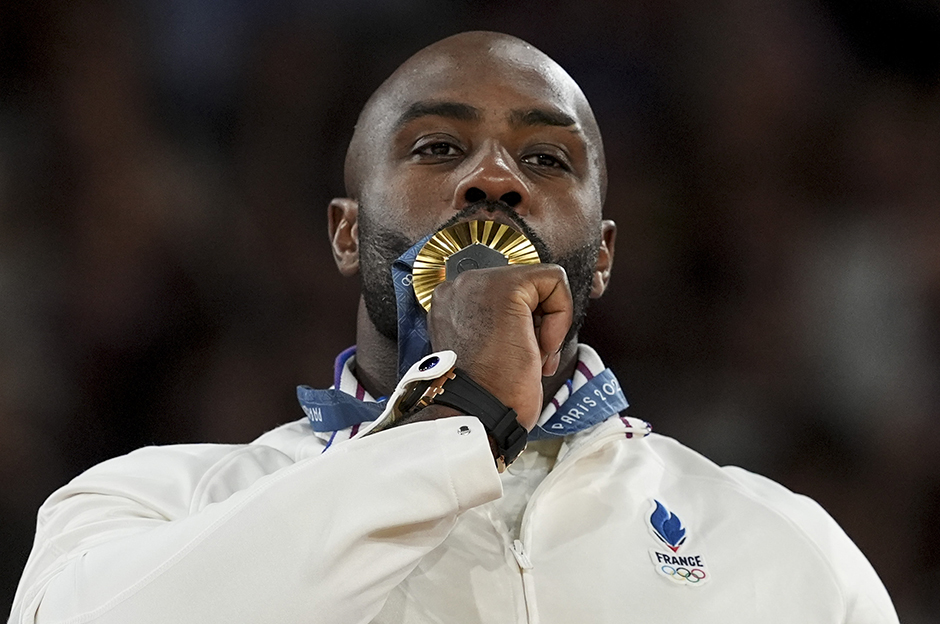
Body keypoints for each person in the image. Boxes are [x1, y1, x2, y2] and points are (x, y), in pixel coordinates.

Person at [9, 31, 898, 624]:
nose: (496, 178)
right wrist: (455, 415)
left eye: (546, 158)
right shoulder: (154, 504)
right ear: (347, 233)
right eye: (438, 147)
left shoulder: (785, 547)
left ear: (604, 257)